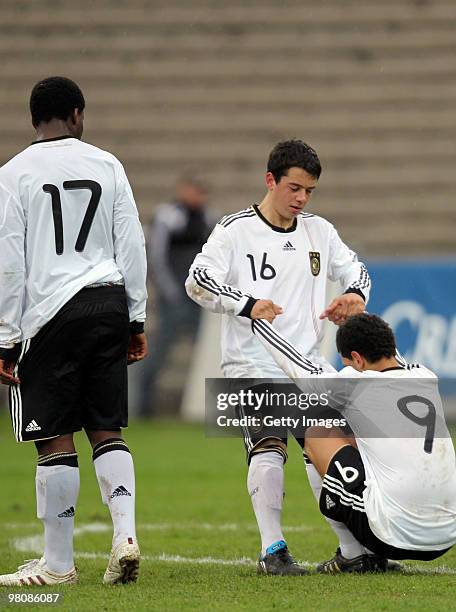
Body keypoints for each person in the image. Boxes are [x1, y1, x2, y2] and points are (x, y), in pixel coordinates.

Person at [185, 139, 371, 575]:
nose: (302, 199)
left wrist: (354, 294)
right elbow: (198, 278)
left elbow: (355, 269)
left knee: (327, 449)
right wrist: (247, 303)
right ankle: (273, 550)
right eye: (294, 188)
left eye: (309, 191)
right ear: (270, 180)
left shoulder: (319, 231)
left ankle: (353, 551)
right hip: (251, 362)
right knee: (269, 445)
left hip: (307, 364)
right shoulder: (234, 230)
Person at [0, 77, 148, 586]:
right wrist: (136, 317)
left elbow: (9, 263)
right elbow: (131, 244)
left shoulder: (13, 174)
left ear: (33, 120)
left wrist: (5, 337)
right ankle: (125, 537)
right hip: (107, 300)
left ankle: (59, 565)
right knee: (107, 427)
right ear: (78, 115)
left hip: (49, 314)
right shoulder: (107, 164)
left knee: (53, 438)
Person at [252, 314, 456, 572]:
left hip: (396, 535)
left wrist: (257, 321)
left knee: (315, 429)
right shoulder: (425, 375)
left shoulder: (354, 382)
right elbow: (395, 360)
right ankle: (363, 554)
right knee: (356, 431)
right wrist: (358, 315)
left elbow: (299, 370)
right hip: (447, 536)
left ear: (358, 359)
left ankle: (352, 555)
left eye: (349, 361)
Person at [139, 177, 214, 416]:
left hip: (200, 299)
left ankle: (209, 407)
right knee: (160, 352)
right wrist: (171, 292)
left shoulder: (209, 218)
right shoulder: (168, 216)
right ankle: (143, 406)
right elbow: (157, 258)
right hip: (175, 299)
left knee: (208, 352)